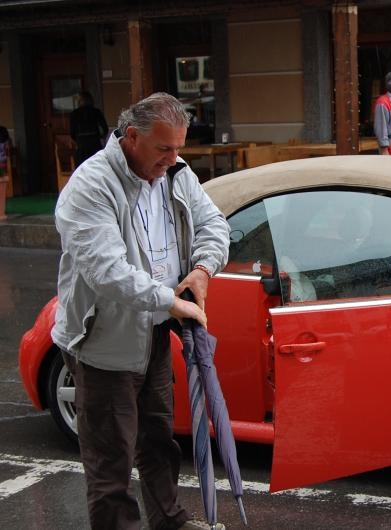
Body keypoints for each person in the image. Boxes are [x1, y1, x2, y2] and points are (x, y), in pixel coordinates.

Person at [52, 92, 230, 530]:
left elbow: (215, 224)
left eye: (178, 148)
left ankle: (170, 521)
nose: (173, 159)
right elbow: (107, 271)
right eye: (163, 149)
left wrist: (203, 270)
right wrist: (171, 301)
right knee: (111, 461)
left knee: (158, 441)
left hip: (151, 333)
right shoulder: (91, 184)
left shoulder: (176, 174)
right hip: (102, 344)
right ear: (131, 137)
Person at [70, 91, 110, 166]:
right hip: (94, 143)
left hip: (82, 144)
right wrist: (100, 136)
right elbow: (105, 128)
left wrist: (78, 139)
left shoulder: (74, 113)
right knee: (97, 165)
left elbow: (72, 132)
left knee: (82, 166)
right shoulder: (96, 112)